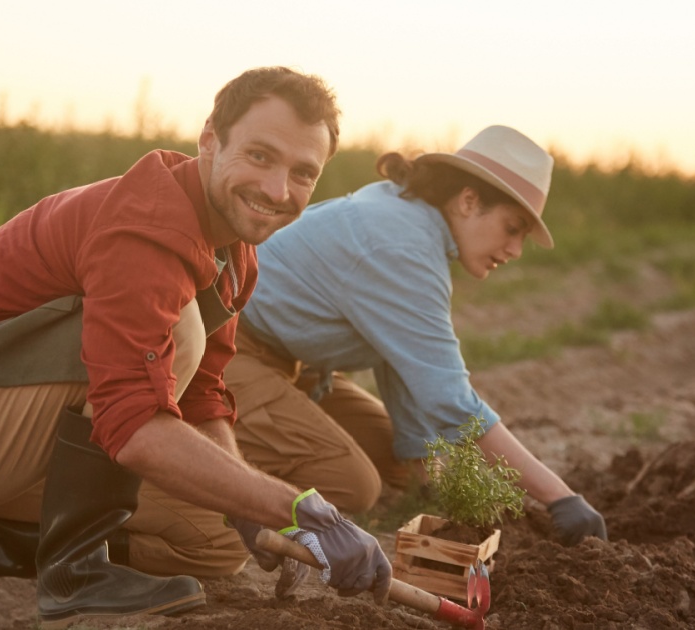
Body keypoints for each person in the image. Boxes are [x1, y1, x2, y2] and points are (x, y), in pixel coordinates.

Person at [0, 66, 391, 630]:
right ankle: (75, 572)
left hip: (3, 428)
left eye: (303, 173)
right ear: (210, 140)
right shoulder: (148, 228)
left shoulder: (235, 252)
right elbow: (134, 424)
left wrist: (247, 509)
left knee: (215, 544)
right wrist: (299, 510)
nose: (277, 190)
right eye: (260, 156)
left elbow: (205, 398)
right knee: (181, 330)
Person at [224, 124, 608, 545]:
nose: (515, 250)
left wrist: (426, 480)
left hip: (293, 363)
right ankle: (206, 476)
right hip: (228, 350)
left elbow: (399, 359)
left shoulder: (410, 219)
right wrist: (560, 498)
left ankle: (262, 442)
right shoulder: (401, 246)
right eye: (512, 228)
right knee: (352, 485)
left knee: (396, 466)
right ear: (468, 200)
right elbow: (451, 401)